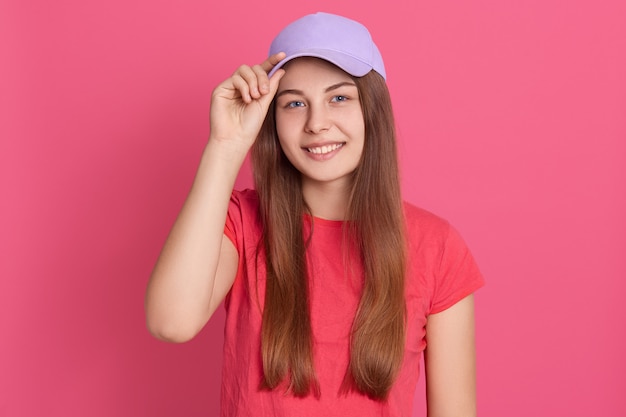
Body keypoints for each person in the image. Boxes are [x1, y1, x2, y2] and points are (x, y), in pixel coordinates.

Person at [145, 12, 484, 417]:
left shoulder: (436, 246)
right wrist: (226, 144)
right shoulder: (240, 222)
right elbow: (171, 322)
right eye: (294, 103)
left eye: (339, 97)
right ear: (273, 118)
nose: (317, 123)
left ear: (372, 110)